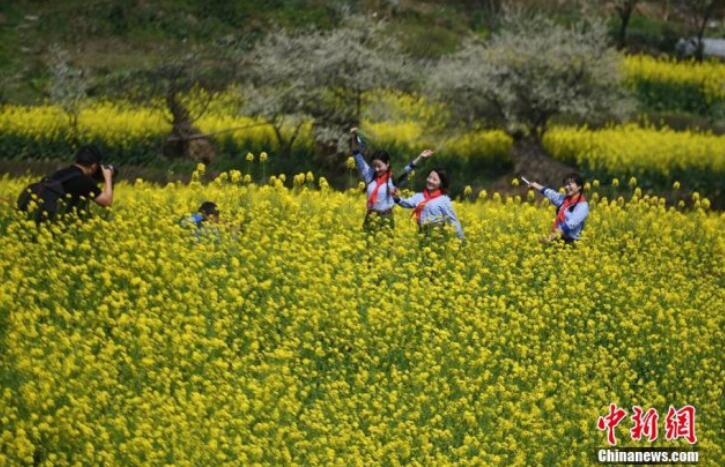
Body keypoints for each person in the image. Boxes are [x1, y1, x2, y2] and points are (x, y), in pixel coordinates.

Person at [350, 127, 433, 231]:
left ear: (387, 164)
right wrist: (353, 137)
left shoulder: (392, 178)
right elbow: (357, 155)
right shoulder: (370, 175)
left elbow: (408, 168)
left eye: (379, 166)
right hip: (370, 216)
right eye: (374, 166)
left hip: (386, 218)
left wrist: (421, 157)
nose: (376, 169)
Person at [17, 145, 114, 222]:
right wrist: (108, 177)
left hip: (42, 217)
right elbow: (107, 201)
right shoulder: (84, 181)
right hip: (56, 224)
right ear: (94, 166)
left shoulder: (61, 174)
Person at [393, 168, 464, 240]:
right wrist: (397, 199)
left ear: (441, 183)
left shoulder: (444, 200)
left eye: (434, 179)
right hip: (421, 234)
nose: (430, 181)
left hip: (436, 237)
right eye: (429, 177)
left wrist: (461, 239)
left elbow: (453, 220)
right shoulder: (419, 196)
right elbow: (407, 203)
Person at [523, 173, 589, 243]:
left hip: (570, 242)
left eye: (570, 184)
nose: (566, 187)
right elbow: (550, 193)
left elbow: (569, 225)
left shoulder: (582, 206)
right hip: (557, 238)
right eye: (565, 185)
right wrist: (534, 185)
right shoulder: (564, 199)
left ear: (579, 187)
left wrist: (549, 238)